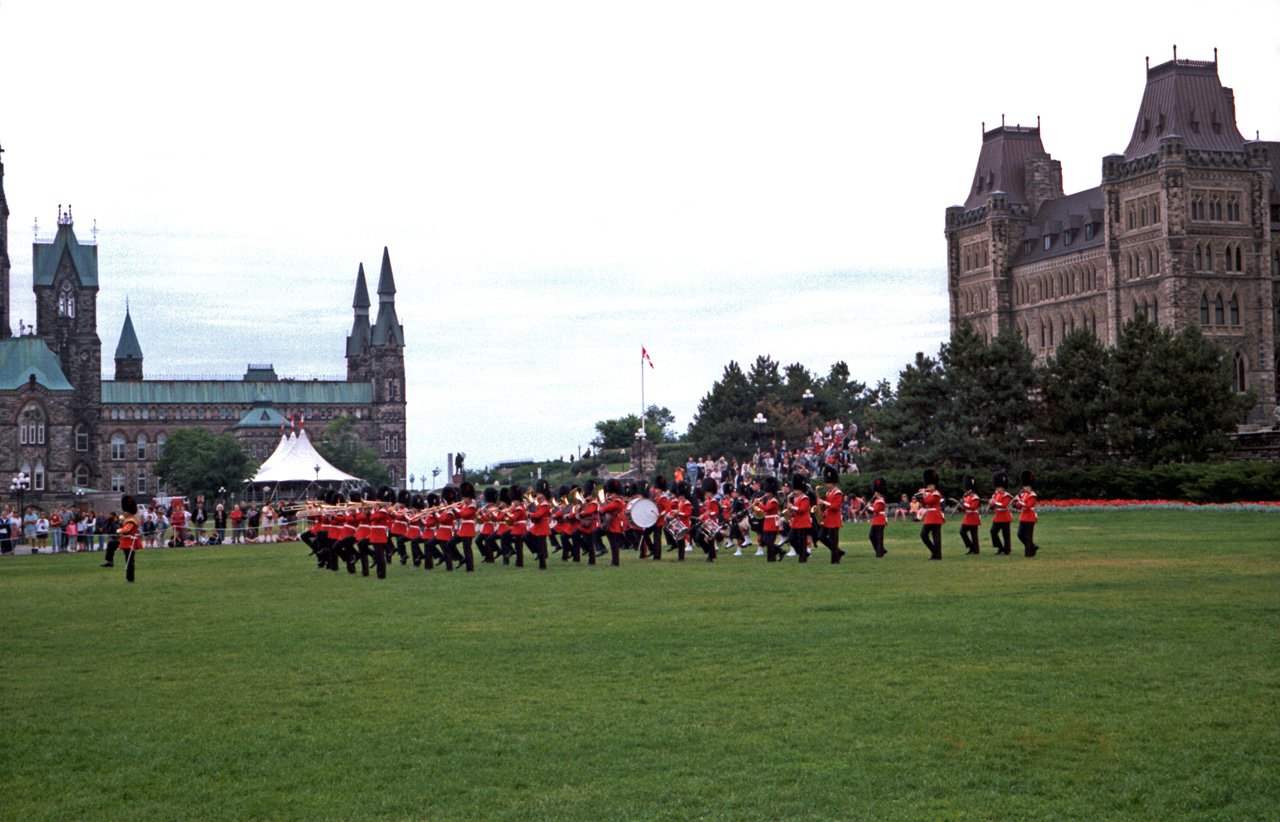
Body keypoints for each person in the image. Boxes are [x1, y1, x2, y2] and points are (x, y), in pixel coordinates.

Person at [816, 465, 846, 563]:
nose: (827, 484)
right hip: (827, 518)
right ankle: (838, 551)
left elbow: (835, 507)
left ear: (833, 483)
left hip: (834, 519)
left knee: (834, 540)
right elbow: (829, 506)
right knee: (821, 537)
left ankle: (835, 559)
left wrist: (824, 502)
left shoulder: (838, 493)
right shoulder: (828, 493)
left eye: (828, 483)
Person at [918, 469, 944, 560]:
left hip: (936, 516)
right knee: (923, 535)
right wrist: (921, 496)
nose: (928, 486)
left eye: (930, 484)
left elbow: (928, 501)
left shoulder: (936, 493)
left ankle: (937, 555)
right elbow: (923, 504)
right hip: (929, 516)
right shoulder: (930, 494)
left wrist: (924, 495)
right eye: (928, 484)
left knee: (936, 537)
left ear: (934, 485)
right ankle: (934, 551)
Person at [1015, 470, 1041, 557]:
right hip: (1023, 516)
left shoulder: (1032, 495)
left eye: (1025, 485)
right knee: (1020, 534)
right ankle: (1032, 547)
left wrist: (1020, 501)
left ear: (1029, 486)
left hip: (1030, 516)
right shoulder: (1023, 494)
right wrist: (1016, 502)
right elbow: (1019, 506)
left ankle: (1029, 553)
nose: (1024, 487)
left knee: (1028, 536)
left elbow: (1028, 506)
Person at [988, 472, 1013, 555]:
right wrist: (991, 504)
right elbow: (993, 507)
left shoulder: (1006, 495)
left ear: (1002, 487)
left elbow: (1005, 505)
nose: (997, 488)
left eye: (998, 487)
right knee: (993, 532)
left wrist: (996, 502)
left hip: (1005, 516)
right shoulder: (995, 495)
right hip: (998, 516)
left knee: (1006, 535)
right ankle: (1000, 547)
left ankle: (1007, 550)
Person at [958, 475, 982, 555]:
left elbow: (973, 507)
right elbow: (965, 509)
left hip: (973, 517)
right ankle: (971, 546)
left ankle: (976, 550)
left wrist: (964, 504)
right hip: (967, 517)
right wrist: (960, 508)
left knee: (974, 535)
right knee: (962, 532)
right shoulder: (966, 497)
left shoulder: (975, 497)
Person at [868, 477, 888, 557]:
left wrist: (869, 507)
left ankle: (879, 553)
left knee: (879, 538)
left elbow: (876, 510)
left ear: (879, 492)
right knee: (871, 536)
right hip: (876, 520)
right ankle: (881, 550)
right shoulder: (877, 500)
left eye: (876, 492)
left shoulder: (881, 500)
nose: (874, 493)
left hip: (880, 520)